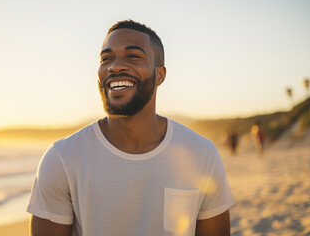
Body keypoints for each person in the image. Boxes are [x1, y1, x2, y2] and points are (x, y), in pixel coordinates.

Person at [27, 20, 235, 236]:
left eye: (133, 56)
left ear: (160, 75)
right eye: (106, 58)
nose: (114, 66)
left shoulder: (201, 154)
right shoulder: (62, 158)